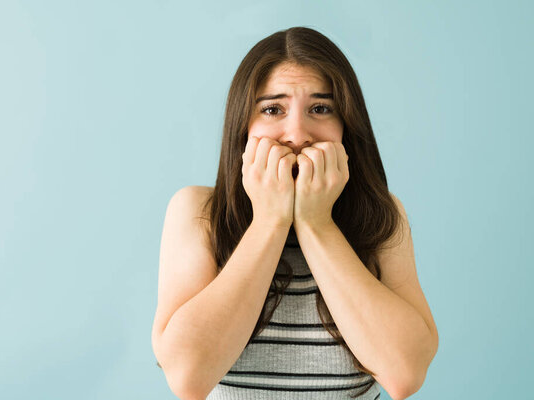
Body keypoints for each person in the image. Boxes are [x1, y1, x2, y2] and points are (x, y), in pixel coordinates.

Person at [151, 26, 438, 400]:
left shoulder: (382, 214)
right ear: (244, 127)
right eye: (273, 109)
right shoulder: (199, 212)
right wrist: (270, 220)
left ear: (345, 127)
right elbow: (188, 378)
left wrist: (316, 224)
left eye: (320, 108)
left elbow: (405, 375)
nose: (297, 133)